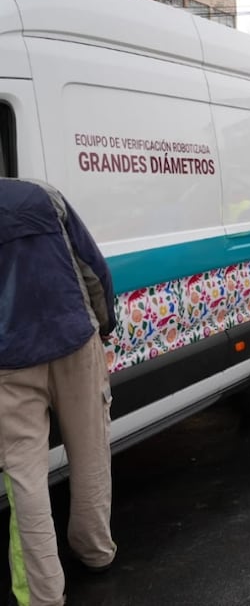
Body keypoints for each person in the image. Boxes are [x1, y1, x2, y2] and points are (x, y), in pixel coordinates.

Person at [0, 179, 118, 606]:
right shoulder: (42, 196)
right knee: (90, 453)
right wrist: (103, 324)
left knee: (26, 477)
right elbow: (93, 268)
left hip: (9, 362)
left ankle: (43, 594)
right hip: (75, 341)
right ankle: (96, 550)